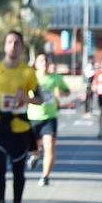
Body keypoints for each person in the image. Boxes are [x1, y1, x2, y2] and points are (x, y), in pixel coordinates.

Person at [0, 31, 43, 203]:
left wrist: (26, 98)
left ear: (22, 47)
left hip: (20, 127)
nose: (13, 45)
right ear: (4, 45)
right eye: (9, 42)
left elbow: (40, 98)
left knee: (18, 172)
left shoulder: (28, 72)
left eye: (17, 42)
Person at [25, 52, 69, 187]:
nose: (44, 62)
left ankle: (45, 176)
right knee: (33, 147)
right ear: (36, 64)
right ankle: (36, 155)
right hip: (33, 116)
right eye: (41, 60)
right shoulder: (31, 77)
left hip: (50, 117)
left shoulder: (56, 78)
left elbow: (67, 92)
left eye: (46, 60)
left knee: (49, 145)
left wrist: (61, 93)